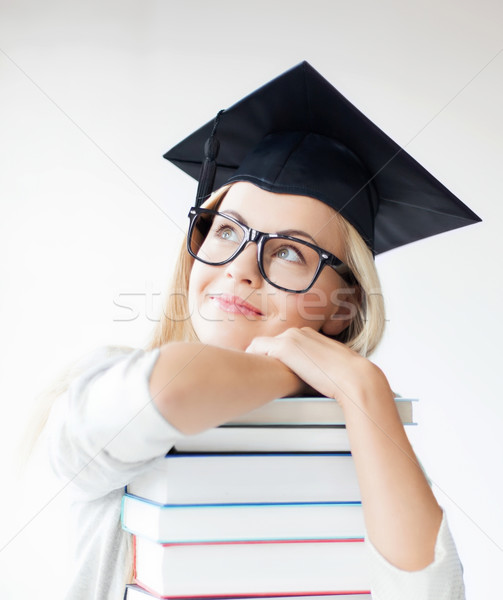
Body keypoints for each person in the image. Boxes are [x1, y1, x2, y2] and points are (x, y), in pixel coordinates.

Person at [40, 62, 478, 599]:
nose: (240, 266)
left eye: (291, 250)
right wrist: (288, 372)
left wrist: (365, 390)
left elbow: (432, 593)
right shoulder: (104, 380)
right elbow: (170, 389)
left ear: (342, 309)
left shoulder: (358, 434)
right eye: (226, 229)